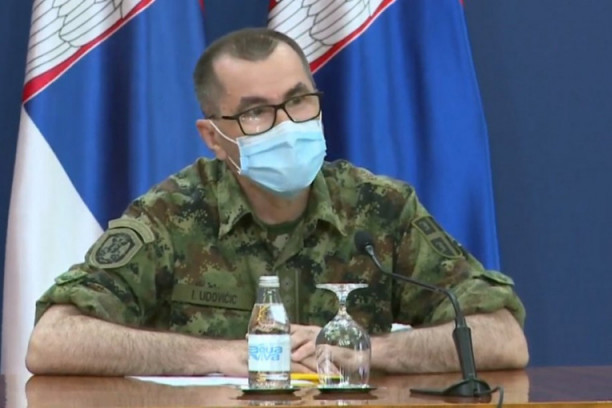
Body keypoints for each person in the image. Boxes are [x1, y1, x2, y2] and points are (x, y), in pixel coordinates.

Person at [26, 28, 528, 376]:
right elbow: (53, 340)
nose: (287, 125)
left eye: (298, 100)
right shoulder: (169, 215)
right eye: (256, 113)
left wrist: (371, 350)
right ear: (213, 136)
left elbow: (502, 337)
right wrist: (216, 357)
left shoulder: (381, 208)